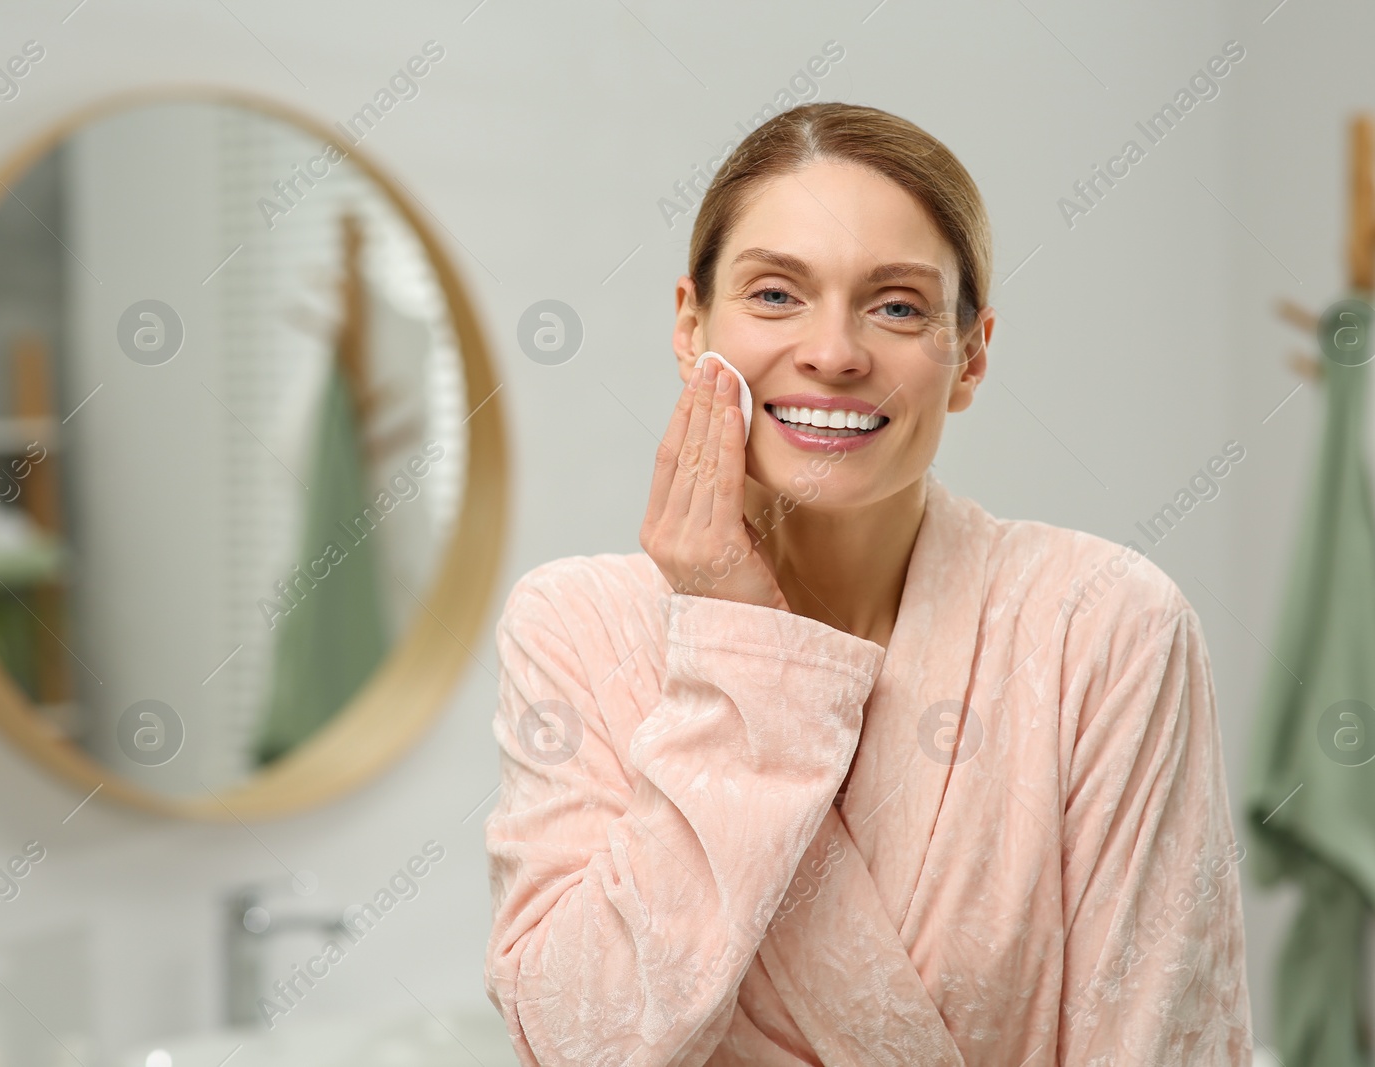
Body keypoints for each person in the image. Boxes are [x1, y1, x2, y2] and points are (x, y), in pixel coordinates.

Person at [484, 101, 1251, 1065]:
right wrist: (735, 645)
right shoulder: (577, 627)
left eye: (896, 306)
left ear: (970, 355)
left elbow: (1156, 1037)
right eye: (774, 295)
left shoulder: (1101, 625)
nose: (836, 352)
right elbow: (575, 1040)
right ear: (690, 325)